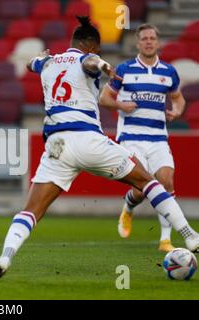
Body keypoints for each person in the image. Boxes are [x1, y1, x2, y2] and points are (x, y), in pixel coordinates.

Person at [0, 16, 199, 281]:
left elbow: (31, 63)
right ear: (92, 47)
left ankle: (5, 257)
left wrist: (37, 58)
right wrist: (104, 64)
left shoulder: (48, 61)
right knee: (149, 182)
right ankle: (189, 236)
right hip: (88, 139)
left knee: (31, 211)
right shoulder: (87, 59)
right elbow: (88, 63)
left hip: (56, 146)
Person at [99, 23, 185, 252]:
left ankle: (165, 240)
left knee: (166, 182)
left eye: (152, 38)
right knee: (140, 190)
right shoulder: (124, 70)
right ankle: (128, 207)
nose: (148, 41)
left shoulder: (168, 72)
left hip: (158, 138)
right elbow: (104, 98)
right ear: (137, 43)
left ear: (158, 42)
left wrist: (176, 111)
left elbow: (178, 99)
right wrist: (120, 105)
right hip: (131, 138)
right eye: (144, 38)